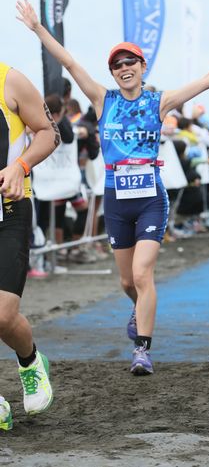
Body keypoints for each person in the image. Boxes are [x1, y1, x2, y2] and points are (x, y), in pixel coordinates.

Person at [16, 0, 209, 375]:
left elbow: (206, 81)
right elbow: (70, 62)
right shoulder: (103, 101)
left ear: (142, 66)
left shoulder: (160, 101)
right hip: (117, 200)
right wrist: (38, 29)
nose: (123, 68)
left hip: (152, 198)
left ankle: (142, 349)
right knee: (125, 280)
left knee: (142, 274)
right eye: (117, 65)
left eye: (129, 62)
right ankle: (140, 310)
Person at [0, 61, 60, 426]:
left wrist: (20, 165)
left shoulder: (10, 80)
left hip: (9, 210)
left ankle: (30, 362)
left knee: (3, 315)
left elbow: (49, 132)